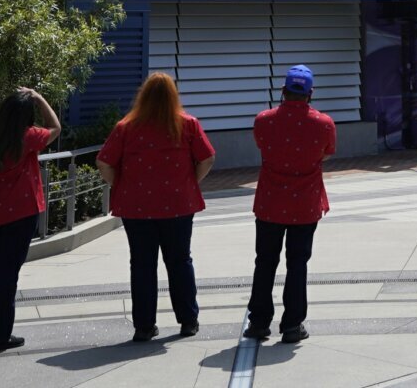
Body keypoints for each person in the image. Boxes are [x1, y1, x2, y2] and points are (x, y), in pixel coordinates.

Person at [97, 73, 216, 343]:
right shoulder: (187, 124)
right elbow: (207, 158)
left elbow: (104, 162)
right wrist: (189, 183)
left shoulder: (126, 127)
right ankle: (188, 320)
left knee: (142, 264)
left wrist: (121, 185)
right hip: (178, 205)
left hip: (136, 208)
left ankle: (144, 326)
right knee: (180, 261)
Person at [0, 87, 62, 352]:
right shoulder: (26, 137)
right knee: (7, 274)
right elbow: (55, 128)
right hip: (21, 213)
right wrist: (38, 98)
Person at [245, 65, 337, 344]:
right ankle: (292, 325)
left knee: (265, 261)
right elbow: (326, 153)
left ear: (283, 90)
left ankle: (259, 322)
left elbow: (262, 146)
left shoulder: (264, 120)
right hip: (305, 204)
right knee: (297, 263)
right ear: (310, 93)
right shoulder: (324, 124)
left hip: (270, 203)